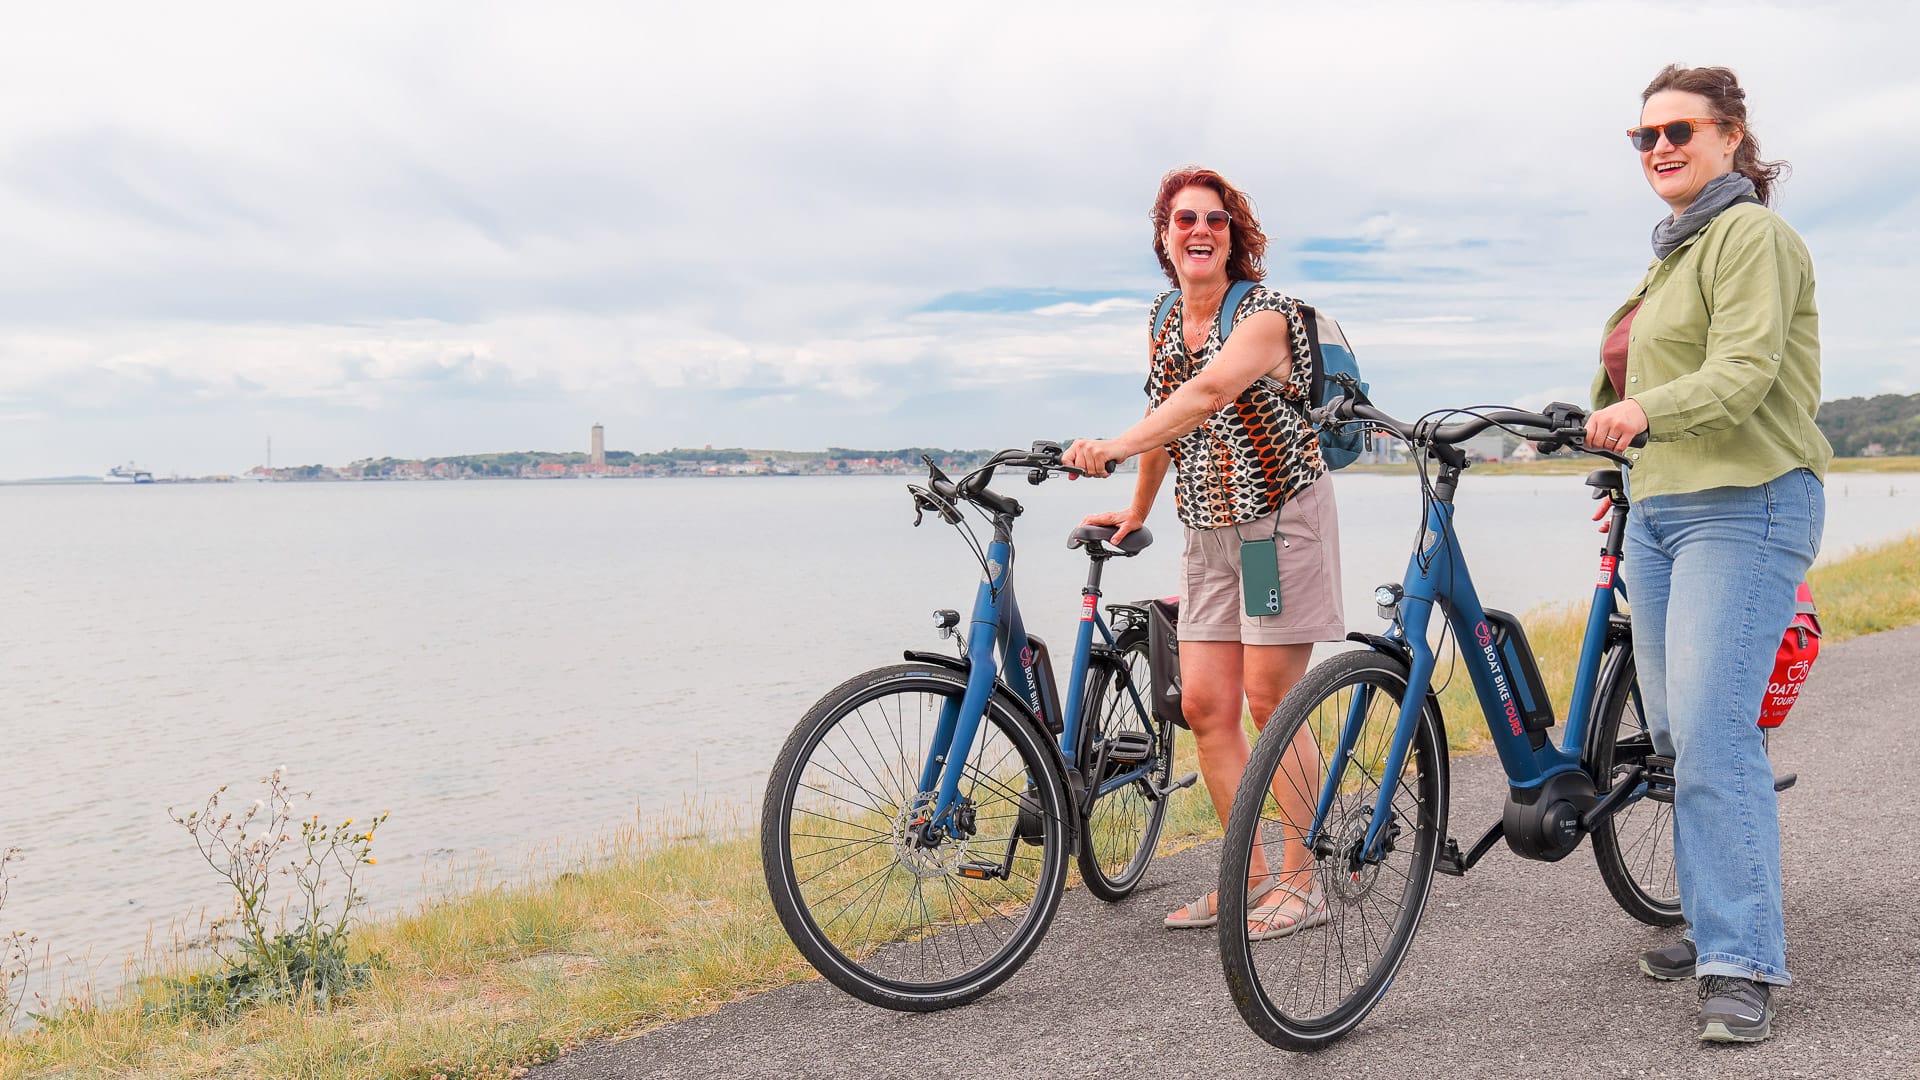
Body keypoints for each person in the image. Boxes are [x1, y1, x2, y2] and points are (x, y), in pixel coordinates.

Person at [1584, 65, 1830, 1044]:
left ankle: (1742, 959)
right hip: (1662, 510)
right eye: (1643, 138)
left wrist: (1642, 410)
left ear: (1732, 136)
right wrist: (1615, 467)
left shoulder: (1751, 237)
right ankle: (1713, 916)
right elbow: (1627, 386)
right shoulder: (1668, 256)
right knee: (1677, 739)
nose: (1660, 149)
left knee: (1716, 732)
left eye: (1679, 130)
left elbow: (1742, 371)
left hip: (1748, 503)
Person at [1064, 166, 1345, 940]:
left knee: (1267, 701)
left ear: (1235, 237)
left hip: (1272, 531)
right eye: (1184, 219)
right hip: (1208, 532)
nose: (1200, 230)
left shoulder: (1265, 314)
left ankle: (1302, 880)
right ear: (1163, 236)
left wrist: (1115, 448)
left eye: (1216, 221)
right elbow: (1167, 414)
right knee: (1204, 706)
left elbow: (1208, 395)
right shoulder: (1162, 318)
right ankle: (1247, 876)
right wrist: (1138, 505)